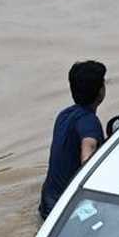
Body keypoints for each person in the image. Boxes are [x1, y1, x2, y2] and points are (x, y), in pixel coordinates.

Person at [38, 60, 107, 219]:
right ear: (100, 91)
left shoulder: (63, 115)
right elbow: (87, 151)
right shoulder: (90, 122)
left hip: (48, 200)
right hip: (68, 210)